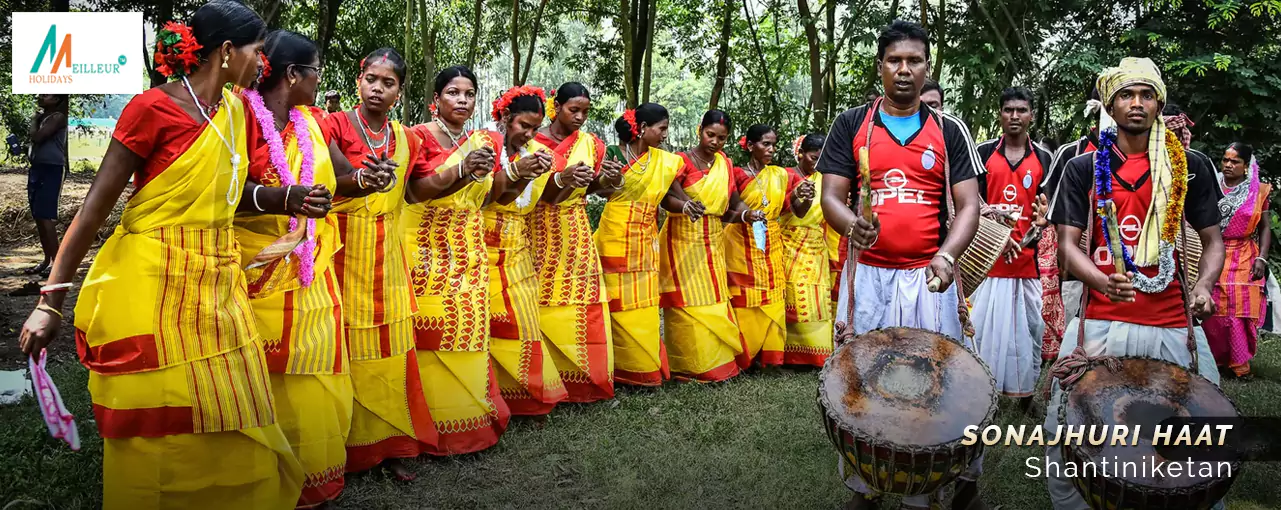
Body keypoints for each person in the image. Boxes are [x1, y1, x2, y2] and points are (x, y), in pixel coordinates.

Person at [18, 2, 305, 507]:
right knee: (163, 412)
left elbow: (228, 196)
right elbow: (91, 211)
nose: (263, 64)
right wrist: (50, 301)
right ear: (225, 51)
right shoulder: (151, 108)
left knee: (234, 402)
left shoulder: (234, 111)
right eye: (257, 52)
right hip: (156, 286)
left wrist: (285, 198)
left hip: (219, 287)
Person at [817, 20, 984, 510]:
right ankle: (867, 485)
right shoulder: (852, 124)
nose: (904, 70)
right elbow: (831, 196)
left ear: (927, 67)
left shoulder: (949, 130)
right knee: (863, 379)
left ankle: (935, 479)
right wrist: (851, 224)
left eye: (914, 61)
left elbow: (969, 205)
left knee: (938, 380)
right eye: (895, 60)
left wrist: (947, 254)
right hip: (867, 278)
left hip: (928, 280)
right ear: (880, 66)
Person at [1045, 57, 1224, 509]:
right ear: (1111, 103)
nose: (1137, 104)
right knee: (1070, 442)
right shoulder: (1084, 167)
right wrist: (1101, 281)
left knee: (1191, 445)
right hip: (1101, 325)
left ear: (1159, 102)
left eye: (1147, 95)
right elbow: (1067, 245)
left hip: (1171, 329)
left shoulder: (1191, 166)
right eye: (1127, 94)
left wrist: (1203, 285)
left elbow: (1213, 241)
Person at [237, 30, 398, 507]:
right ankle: (263, 471)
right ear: (293, 75)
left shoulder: (312, 121)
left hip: (310, 270)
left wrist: (366, 180)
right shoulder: (239, 116)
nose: (318, 80)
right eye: (316, 72)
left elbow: (340, 179)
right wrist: (279, 198)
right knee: (263, 374)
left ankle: (312, 473)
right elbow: (224, 191)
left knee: (316, 373)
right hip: (253, 266)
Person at [401, 66, 529, 454]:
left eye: (469, 94)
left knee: (469, 332)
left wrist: (518, 174)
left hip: (469, 250)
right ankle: (430, 425)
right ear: (435, 99)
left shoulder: (483, 140)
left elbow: (491, 197)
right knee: (431, 333)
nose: (462, 100)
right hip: (425, 248)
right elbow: (414, 193)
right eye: (453, 93)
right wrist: (461, 168)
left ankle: (468, 424)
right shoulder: (417, 136)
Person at [325, 48, 437, 480]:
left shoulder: (406, 138)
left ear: (399, 91)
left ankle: (390, 442)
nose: (377, 88)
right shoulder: (330, 124)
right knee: (344, 344)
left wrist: (465, 172)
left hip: (388, 254)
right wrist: (356, 180)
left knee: (389, 349)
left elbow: (413, 193)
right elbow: (322, 179)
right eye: (371, 79)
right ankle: (345, 445)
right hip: (339, 252)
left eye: (387, 83)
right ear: (359, 81)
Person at [595, 103, 701, 386]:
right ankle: (618, 369)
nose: (665, 134)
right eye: (661, 128)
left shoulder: (665, 162)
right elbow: (602, 191)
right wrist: (611, 178)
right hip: (614, 236)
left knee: (642, 305)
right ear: (642, 129)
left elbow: (669, 198)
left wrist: (686, 206)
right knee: (616, 305)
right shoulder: (614, 153)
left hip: (644, 238)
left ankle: (643, 368)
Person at [531, 82, 620, 401]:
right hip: (536, 228)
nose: (581, 116)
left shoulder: (592, 144)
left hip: (576, 231)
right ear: (556, 106)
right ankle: (548, 380)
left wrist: (605, 180)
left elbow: (594, 188)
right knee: (541, 302)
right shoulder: (532, 139)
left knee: (584, 301)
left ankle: (586, 382)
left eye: (586, 111)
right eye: (574, 110)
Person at [483, 85, 569, 416]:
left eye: (535, 128)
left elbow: (546, 196)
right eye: (524, 126)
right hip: (479, 245)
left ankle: (531, 398)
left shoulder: (533, 152)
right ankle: (493, 398)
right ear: (504, 118)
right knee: (486, 325)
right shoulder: (483, 145)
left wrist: (564, 179)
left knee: (522, 320)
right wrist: (517, 173)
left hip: (516, 246)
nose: (530, 134)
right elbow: (491, 196)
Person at [659, 110, 760, 381]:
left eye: (722, 138)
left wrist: (748, 213)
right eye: (710, 134)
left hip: (713, 238)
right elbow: (665, 198)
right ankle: (687, 365)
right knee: (686, 303)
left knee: (713, 297)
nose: (715, 141)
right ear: (699, 130)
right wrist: (684, 205)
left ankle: (718, 362)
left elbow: (733, 203)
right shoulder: (680, 161)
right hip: (682, 239)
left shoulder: (724, 165)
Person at [973, 87, 1052, 411]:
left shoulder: (1045, 157)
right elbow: (972, 204)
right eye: (1009, 110)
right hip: (988, 260)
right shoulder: (982, 153)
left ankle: (1025, 395)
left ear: (1031, 114)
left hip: (1026, 259)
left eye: (1021, 110)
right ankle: (981, 394)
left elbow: (1047, 211)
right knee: (983, 332)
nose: (1015, 116)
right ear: (1000, 114)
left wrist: (1041, 223)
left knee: (1028, 331)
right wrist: (995, 233)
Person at [727, 124, 794, 367]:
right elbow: (726, 209)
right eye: (766, 144)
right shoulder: (736, 174)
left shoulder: (779, 174)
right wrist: (747, 215)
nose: (771, 149)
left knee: (774, 292)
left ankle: (770, 355)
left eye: (773, 144)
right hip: (740, 242)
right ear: (750, 145)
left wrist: (800, 197)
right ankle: (747, 354)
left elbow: (789, 209)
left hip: (772, 240)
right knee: (746, 296)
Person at [1204, 142, 1270, 380]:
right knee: (1211, 307)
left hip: (1244, 253)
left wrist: (1262, 257)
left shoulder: (1258, 191)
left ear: (1246, 165)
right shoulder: (1210, 184)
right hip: (1212, 250)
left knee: (1239, 309)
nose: (1228, 165)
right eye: (1225, 160)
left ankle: (1240, 366)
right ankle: (1212, 360)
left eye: (1235, 161)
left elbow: (1264, 227)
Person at [779, 133, 831, 367]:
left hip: (816, 245)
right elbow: (790, 210)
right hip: (789, 242)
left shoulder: (826, 179)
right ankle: (790, 354)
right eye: (812, 157)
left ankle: (817, 354)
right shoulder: (786, 176)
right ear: (800, 153)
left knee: (817, 297)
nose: (816, 163)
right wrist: (800, 196)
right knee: (792, 296)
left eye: (821, 159)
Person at [25, 93, 67, 277]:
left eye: (46, 94)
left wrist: (34, 120)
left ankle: (57, 263)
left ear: (57, 99)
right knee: (38, 215)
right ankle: (47, 259)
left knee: (45, 215)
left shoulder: (58, 117)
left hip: (52, 169)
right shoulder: (45, 117)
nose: (40, 96)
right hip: (38, 168)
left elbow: (38, 136)